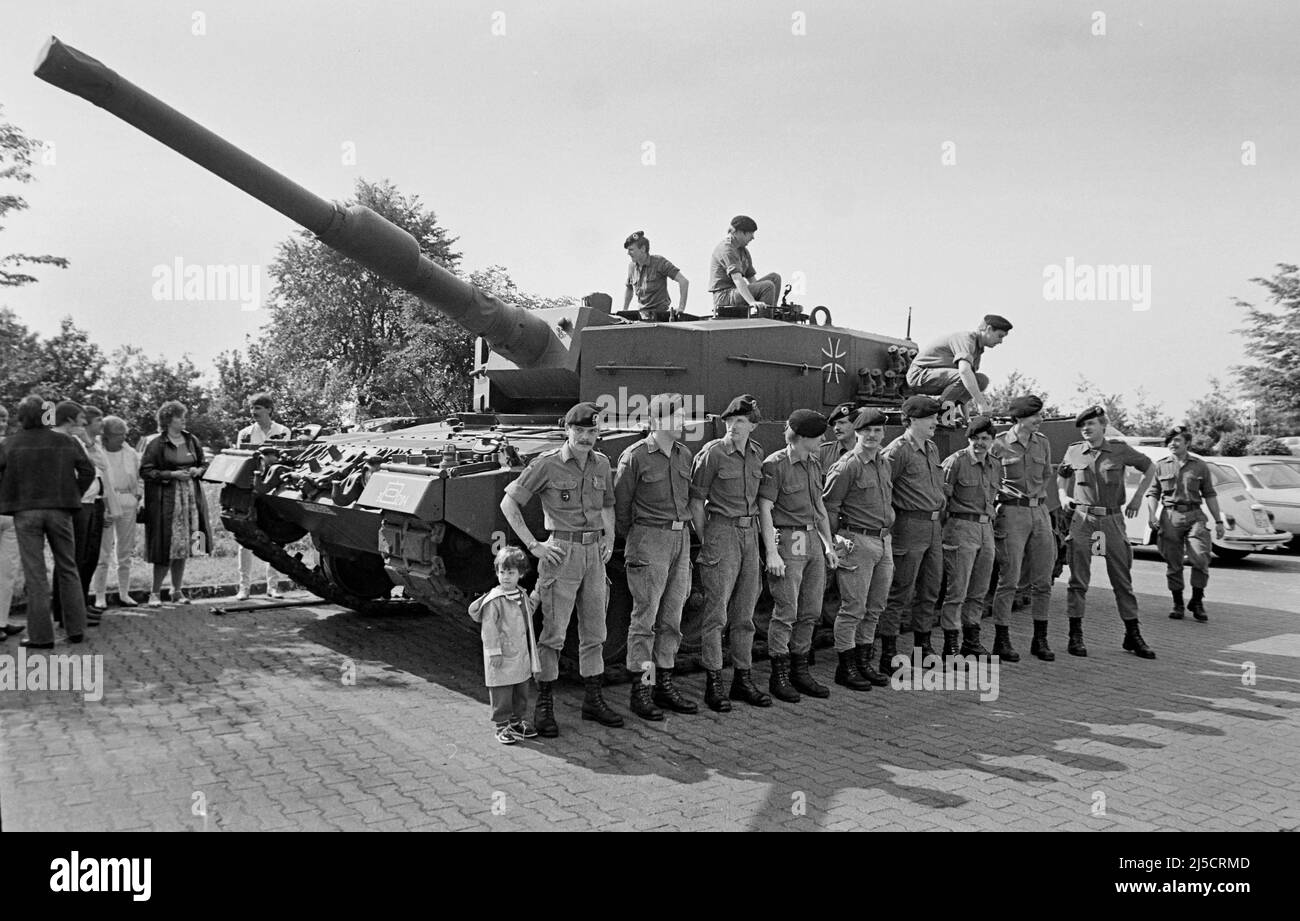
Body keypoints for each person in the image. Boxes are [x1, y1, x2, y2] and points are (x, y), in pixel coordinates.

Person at [500, 401, 622, 736]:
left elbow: (608, 504)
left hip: (594, 554)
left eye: (592, 431)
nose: (585, 437)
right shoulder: (548, 465)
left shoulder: (601, 464)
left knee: (595, 631)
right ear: (567, 430)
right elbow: (509, 502)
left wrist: (608, 536)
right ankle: (545, 705)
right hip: (561, 553)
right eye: (579, 430)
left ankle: (592, 700)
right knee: (553, 633)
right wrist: (534, 546)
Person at [613, 393, 699, 721]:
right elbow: (622, 508)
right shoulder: (634, 457)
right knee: (645, 619)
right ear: (658, 421)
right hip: (649, 538)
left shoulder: (683, 454)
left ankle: (664, 683)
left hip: (681, 539)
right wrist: (637, 538)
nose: (683, 423)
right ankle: (642, 690)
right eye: (678, 417)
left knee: (672, 619)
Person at [1057, 405, 1158, 658]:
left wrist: (1137, 499)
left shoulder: (1120, 450)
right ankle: (1075, 635)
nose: (1086, 429)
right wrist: (1062, 496)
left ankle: (1132, 634)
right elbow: (1062, 477)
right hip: (1083, 519)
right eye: (1082, 426)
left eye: (1091, 424)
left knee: (1122, 580)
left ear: (1103, 426)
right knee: (1078, 580)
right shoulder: (1074, 451)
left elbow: (1150, 468)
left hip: (1112, 519)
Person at [690, 393, 770, 710]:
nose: (733, 427)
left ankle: (742, 678)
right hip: (721, 531)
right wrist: (707, 537)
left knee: (745, 613)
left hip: (750, 534)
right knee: (716, 614)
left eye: (740, 421)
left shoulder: (756, 453)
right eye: (729, 421)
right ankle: (714, 681)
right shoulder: (712, 454)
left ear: (752, 425)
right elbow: (696, 502)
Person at [0, 394, 95, 648]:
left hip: (25, 511)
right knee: (68, 567)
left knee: (36, 574)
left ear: (21, 417)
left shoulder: (9, 444)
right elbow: (88, 470)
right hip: (61, 510)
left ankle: (41, 636)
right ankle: (76, 629)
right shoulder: (66, 441)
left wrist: (8, 497)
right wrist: (74, 493)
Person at [758, 409, 840, 703]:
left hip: (812, 541)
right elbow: (764, 509)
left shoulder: (813, 463)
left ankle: (799, 670)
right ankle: (778, 676)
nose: (823, 440)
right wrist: (771, 553)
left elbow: (819, 508)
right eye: (818, 436)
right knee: (786, 610)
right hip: (789, 538)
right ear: (802, 437)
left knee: (810, 610)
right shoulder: (776, 464)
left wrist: (828, 545)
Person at [822, 408, 895, 690]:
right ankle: (847, 666)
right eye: (867, 431)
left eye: (877, 431)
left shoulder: (883, 463)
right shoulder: (846, 465)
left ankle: (864, 663)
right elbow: (830, 507)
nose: (873, 436)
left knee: (875, 606)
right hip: (856, 540)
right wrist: (832, 545)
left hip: (882, 541)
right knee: (853, 607)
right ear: (857, 433)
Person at [879, 395, 946, 674]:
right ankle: (889, 652)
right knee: (900, 592)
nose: (935, 422)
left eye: (935, 417)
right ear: (913, 420)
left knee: (930, 589)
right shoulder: (897, 451)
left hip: (933, 528)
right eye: (930, 417)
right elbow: (883, 491)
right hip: (908, 526)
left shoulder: (931, 448)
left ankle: (923, 647)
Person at [988, 394, 1057, 662]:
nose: (1039, 420)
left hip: (1039, 512)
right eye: (1034, 416)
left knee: (1043, 581)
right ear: (1019, 418)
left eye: (1040, 415)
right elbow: (990, 479)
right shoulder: (1000, 444)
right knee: (1010, 580)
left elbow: (1047, 476)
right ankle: (1001, 640)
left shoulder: (1043, 443)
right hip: (1012, 512)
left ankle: (1040, 639)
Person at [1145, 425, 1226, 622]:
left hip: (1194, 515)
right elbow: (1153, 493)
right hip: (1170, 516)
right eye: (1170, 441)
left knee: (1200, 558)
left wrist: (1218, 521)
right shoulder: (1161, 465)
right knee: (1173, 563)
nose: (1172, 444)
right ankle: (1178, 603)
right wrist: (1151, 515)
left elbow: (1210, 494)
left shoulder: (1199, 465)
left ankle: (1197, 601)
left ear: (1187, 443)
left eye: (1177, 440)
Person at [938, 415, 1000, 662]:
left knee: (979, 590)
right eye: (975, 438)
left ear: (993, 440)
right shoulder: (956, 462)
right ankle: (950, 645)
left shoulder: (995, 464)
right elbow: (942, 500)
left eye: (985, 438)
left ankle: (971, 642)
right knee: (957, 590)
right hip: (961, 527)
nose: (980, 443)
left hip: (986, 530)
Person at [140, 401, 214, 607]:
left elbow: (204, 463)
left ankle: (177, 590)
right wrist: (171, 474)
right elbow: (145, 471)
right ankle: (154, 593)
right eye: (179, 416)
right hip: (167, 502)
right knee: (166, 546)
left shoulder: (191, 440)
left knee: (185, 545)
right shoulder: (156, 443)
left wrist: (198, 471)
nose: (184, 419)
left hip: (190, 498)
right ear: (167, 419)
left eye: (184, 416)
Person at [468, 546, 541, 745]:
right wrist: (494, 652)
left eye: (511, 573)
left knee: (520, 690)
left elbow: (529, 611)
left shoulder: (521, 594)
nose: (506, 577)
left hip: (519, 653)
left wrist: (537, 593)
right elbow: (489, 628)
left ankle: (516, 721)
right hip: (502, 654)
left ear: (521, 574)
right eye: (502, 572)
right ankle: (501, 725)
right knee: (502, 692)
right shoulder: (495, 600)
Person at [50, 403, 111, 626]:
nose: (84, 422)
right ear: (69, 419)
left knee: (86, 558)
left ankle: (79, 605)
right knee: (71, 559)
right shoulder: (64, 440)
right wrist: (74, 494)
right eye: (80, 418)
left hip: (90, 502)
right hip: (79, 504)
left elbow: (101, 466)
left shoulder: (79, 440)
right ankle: (66, 611)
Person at [235, 393, 291, 600]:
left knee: (275, 538)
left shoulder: (283, 432)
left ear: (269, 409)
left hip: (274, 490)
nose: (254, 412)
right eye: (252, 408)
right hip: (250, 489)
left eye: (258, 408)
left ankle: (273, 585)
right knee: (244, 540)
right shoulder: (245, 434)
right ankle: (244, 586)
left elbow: (287, 459)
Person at [905, 315, 1013, 417]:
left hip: (934, 378)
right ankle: (938, 413)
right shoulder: (966, 339)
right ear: (988, 329)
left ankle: (944, 413)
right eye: (999, 336)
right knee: (967, 376)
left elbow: (965, 387)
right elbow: (964, 373)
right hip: (919, 375)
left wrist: (966, 419)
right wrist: (982, 403)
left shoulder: (977, 351)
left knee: (981, 380)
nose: (1000, 341)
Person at [91, 415, 143, 608]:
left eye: (124, 434)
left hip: (127, 500)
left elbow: (139, 477)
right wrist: (104, 505)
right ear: (106, 436)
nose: (122, 438)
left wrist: (137, 496)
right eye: (117, 434)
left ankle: (124, 593)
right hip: (106, 501)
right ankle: (99, 595)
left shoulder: (130, 453)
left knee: (125, 551)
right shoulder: (97, 451)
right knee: (103, 552)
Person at [707, 215, 782, 318]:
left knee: (774, 278)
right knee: (768, 286)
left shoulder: (743, 251)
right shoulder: (727, 249)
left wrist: (761, 297)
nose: (753, 237)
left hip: (736, 293)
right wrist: (752, 302)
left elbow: (753, 281)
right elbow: (737, 279)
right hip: (724, 297)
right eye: (751, 233)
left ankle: (771, 312)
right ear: (740, 233)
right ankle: (764, 321)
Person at [622, 231, 689, 321]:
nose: (628, 253)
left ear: (643, 249)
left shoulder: (659, 262)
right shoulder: (632, 267)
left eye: (631, 250)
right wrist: (624, 311)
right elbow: (629, 288)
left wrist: (681, 308)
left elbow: (683, 281)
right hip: (642, 317)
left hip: (660, 317)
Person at [0, 404, 24, 640]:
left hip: (9, 513)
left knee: (7, 571)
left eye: (5, 418)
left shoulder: (11, 445)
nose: (2, 423)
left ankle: (2, 620)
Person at [818, 402, 859, 470]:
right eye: (834, 424)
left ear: (856, 424)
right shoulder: (823, 452)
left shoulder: (872, 451)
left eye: (842, 423)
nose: (836, 428)